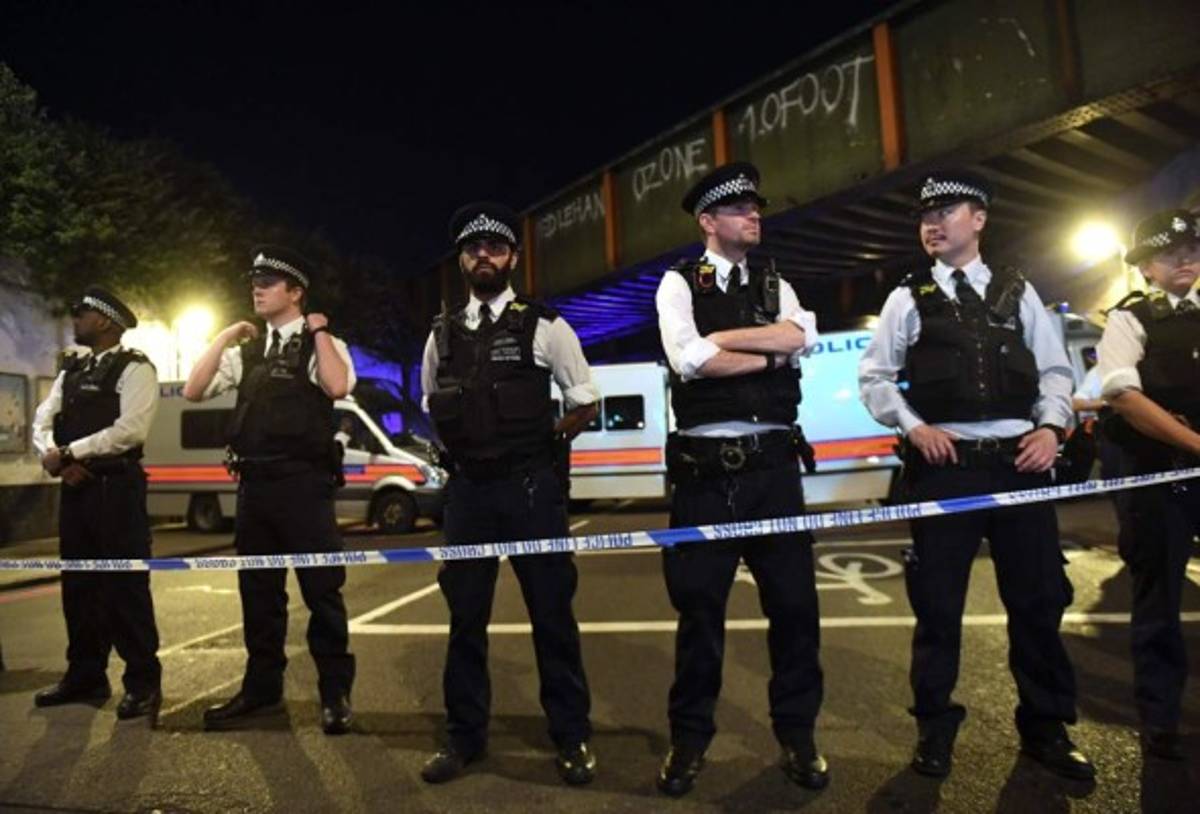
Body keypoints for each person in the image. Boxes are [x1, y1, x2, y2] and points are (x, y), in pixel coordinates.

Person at [858, 171, 1095, 780]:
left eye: (948, 211)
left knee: (1039, 601)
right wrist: (914, 427)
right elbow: (876, 379)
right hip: (947, 470)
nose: (933, 224)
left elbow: (1056, 372)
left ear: (980, 219)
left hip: (1020, 464)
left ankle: (1046, 729)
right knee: (938, 608)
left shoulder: (1019, 291)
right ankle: (934, 729)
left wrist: (1050, 428)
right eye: (925, 216)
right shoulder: (906, 298)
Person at [653, 162, 827, 797]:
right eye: (739, 209)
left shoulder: (775, 279)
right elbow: (688, 357)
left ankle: (798, 736)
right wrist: (769, 351)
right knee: (700, 615)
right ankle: (689, 740)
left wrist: (728, 337)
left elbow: (803, 334)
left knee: (794, 610)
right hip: (706, 477)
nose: (754, 215)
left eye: (756, 206)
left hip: (774, 470)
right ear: (708, 222)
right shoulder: (676, 284)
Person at [419, 202, 599, 786]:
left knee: (552, 616)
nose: (483, 256)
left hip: (529, 489)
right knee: (465, 620)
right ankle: (464, 739)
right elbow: (431, 404)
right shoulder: (440, 333)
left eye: (494, 248)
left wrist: (545, 450)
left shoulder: (546, 325)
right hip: (469, 494)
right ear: (462, 261)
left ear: (512, 258)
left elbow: (584, 400)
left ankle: (571, 737)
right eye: (473, 249)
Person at [183, 246, 356, 735]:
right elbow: (194, 390)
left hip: (305, 484)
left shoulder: (324, 343)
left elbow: (338, 386)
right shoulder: (247, 353)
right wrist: (222, 336)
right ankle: (261, 691)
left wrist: (319, 329)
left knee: (323, 593)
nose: (256, 287)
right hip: (255, 487)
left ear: (295, 292)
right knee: (259, 596)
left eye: (270, 281)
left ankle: (335, 694)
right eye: (254, 279)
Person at [1094, 208, 1200, 760]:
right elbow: (1124, 397)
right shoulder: (1129, 320)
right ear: (1146, 268)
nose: (1184, 260)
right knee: (1158, 600)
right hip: (1156, 477)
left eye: (1192, 250)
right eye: (1169, 253)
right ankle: (1160, 721)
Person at [31, 286, 162, 724]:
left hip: (116, 490)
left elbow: (130, 431)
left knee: (125, 591)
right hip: (77, 489)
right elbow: (41, 421)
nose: (75, 318)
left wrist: (71, 452)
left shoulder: (136, 369)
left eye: (82, 312)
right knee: (79, 589)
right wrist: (55, 457)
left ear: (105, 321)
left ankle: (143, 683)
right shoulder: (72, 370)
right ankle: (85, 675)